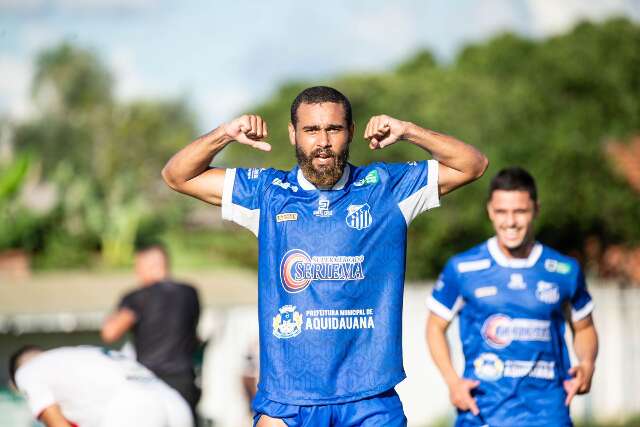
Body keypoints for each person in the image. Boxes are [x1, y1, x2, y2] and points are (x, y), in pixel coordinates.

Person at [162, 86, 488, 426]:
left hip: (369, 399)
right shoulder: (267, 193)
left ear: (349, 132)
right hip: (289, 400)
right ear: (293, 134)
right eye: (311, 130)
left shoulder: (386, 187)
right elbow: (177, 175)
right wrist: (225, 134)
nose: (323, 142)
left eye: (333, 129)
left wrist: (408, 130)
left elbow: (473, 165)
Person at [426, 167, 599, 427]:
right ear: (489, 211)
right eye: (501, 212)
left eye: (520, 211)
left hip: (548, 413)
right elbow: (434, 327)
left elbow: (584, 327)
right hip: (484, 412)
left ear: (536, 210)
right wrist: (453, 382)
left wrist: (587, 364)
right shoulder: (463, 268)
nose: (510, 222)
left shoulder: (564, 270)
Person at [101, 244, 201, 421]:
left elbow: (110, 333)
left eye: (138, 267)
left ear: (151, 265)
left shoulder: (137, 297)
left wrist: (111, 317)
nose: (136, 273)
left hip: (150, 381)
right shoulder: (190, 292)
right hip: (184, 380)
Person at [9, 345, 193, 427]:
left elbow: (56, 423)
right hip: (175, 404)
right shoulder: (78, 354)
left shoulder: (27, 370)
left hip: (134, 409)